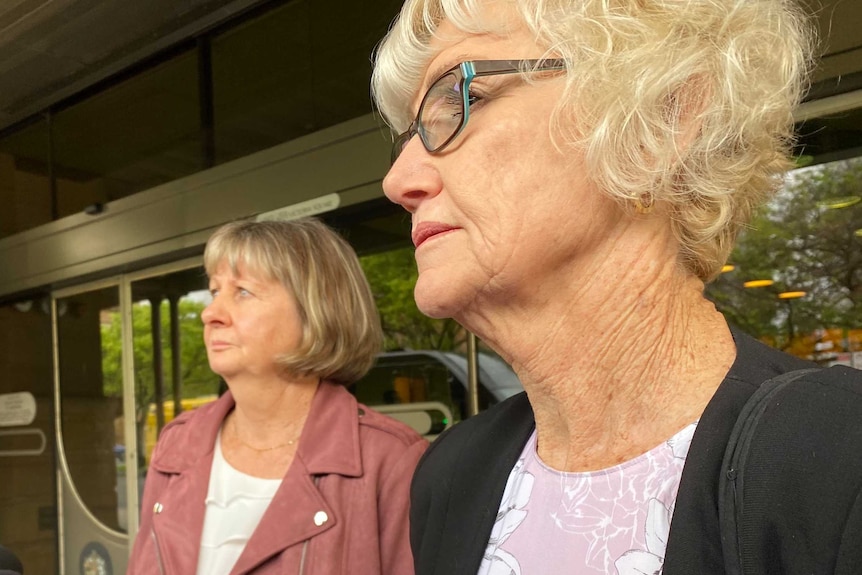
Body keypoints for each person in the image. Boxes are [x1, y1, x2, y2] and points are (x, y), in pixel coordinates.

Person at [372, 1, 862, 574]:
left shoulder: (839, 459)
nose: (397, 181)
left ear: (664, 116)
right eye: (409, 135)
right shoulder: (451, 473)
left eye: (461, 100)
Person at [128, 218, 427, 574]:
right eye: (214, 291)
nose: (211, 314)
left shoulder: (389, 458)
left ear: (316, 310)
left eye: (242, 292)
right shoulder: (177, 442)